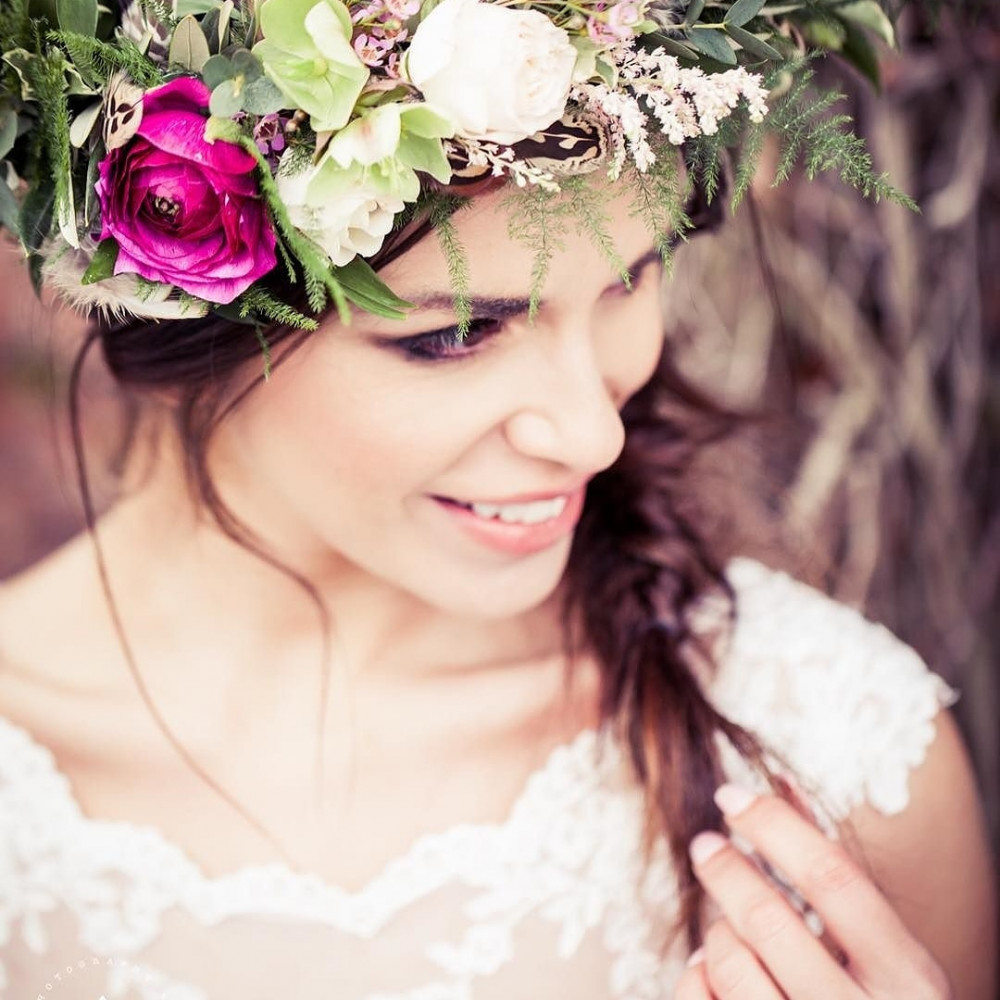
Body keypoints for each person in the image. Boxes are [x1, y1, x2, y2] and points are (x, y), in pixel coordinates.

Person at [0, 1, 995, 998]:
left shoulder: (834, 748)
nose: (591, 434)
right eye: (456, 335)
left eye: (629, 278)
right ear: (176, 297)